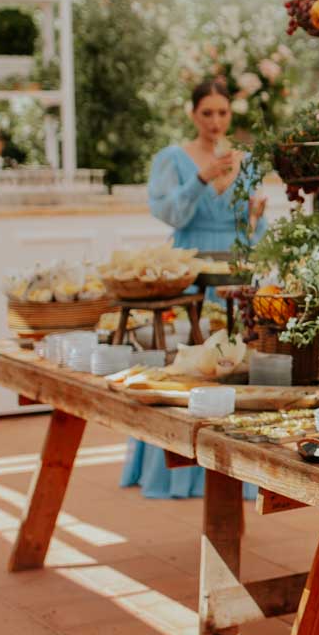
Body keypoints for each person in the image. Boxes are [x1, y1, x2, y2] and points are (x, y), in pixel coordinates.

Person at [121, 78, 267, 500]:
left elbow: (256, 233)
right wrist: (200, 178)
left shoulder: (248, 161)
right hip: (188, 267)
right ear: (192, 114)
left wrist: (257, 221)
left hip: (234, 271)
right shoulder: (174, 158)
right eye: (207, 113)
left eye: (223, 112)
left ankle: (238, 468)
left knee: (236, 362)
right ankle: (174, 470)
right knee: (183, 363)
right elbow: (169, 213)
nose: (216, 121)